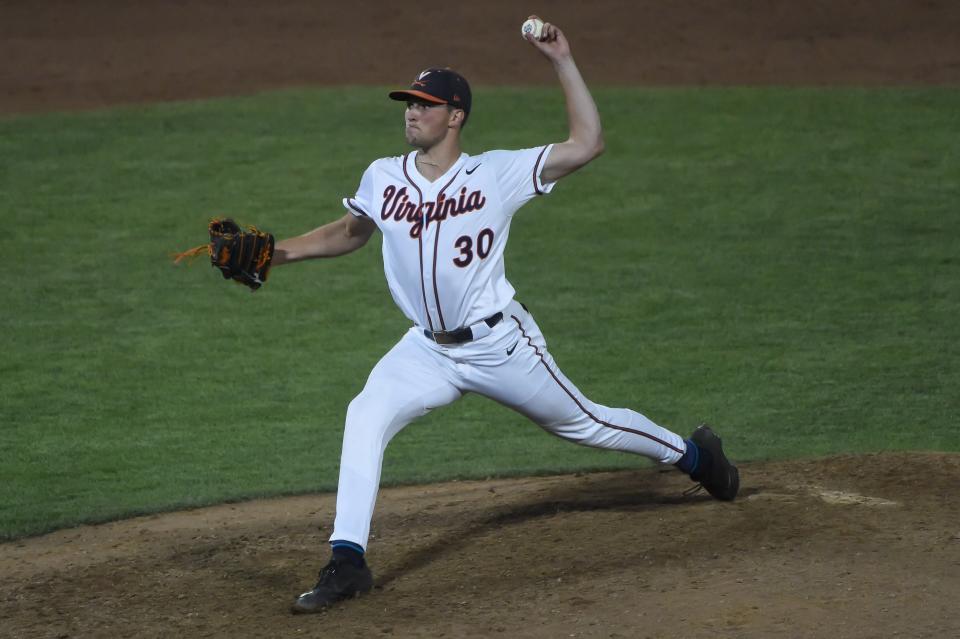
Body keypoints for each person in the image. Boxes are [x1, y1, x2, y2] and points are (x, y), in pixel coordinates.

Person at [274, 18, 739, 614]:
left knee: (585, 424)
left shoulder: (495, 173)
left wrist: (562, 60)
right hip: (426, 350)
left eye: (425, 105)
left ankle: (697, 457)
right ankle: (347, 562)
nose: (411, 112)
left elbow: (587, 143)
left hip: (500, 345)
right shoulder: (383, 175)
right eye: (409, 104)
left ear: (456, 115)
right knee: (364, 413)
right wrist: (273, 252)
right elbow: (348, 232)